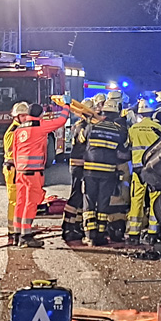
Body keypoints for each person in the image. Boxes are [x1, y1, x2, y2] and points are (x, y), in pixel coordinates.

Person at [12, 96, 71, 248]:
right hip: (34, 173)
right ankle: (26, 236)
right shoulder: (41, 125)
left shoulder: (19, 129)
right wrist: (66, 105)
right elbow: (61, 121)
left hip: (20, 172)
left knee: (20, 202)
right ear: (41, 114)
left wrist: (18, 169)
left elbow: (15, 151)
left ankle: (16, 234)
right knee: (31, 204)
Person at [80, 99, 129, 246]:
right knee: (103, 204)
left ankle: (89, 235)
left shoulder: (91, 127)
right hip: (108, 172)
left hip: (90, 171)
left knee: (89, 203)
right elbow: (124, 152)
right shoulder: (119, 130)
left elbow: (80, 140)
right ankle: (100, 235)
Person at [126, 99, 161, 245]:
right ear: (152, 112)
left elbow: (127, 146)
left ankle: (134, 233)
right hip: (154, 171)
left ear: (140, 114)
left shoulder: (134, 129)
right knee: (155, 200)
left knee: (137, 200)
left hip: (138, 171)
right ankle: (153, 232)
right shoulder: (158, 128)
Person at [61, 98, 94, 242]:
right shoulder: (85, 126)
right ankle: (68, 227)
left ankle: (74, 225)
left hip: (76, 163)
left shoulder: (78, 124)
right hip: (80, 164)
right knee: (76, 195)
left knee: (78, 194)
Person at [3, 101, 29, 245]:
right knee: (14, 201)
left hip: (17, 169)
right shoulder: (13, 132)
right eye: (23, 116)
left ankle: (17, 229)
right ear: (17, 116)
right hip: (12, 169)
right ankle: (12, 231)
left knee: (21, 200)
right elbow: (12, 154)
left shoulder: (19, 129)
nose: (26, 118)